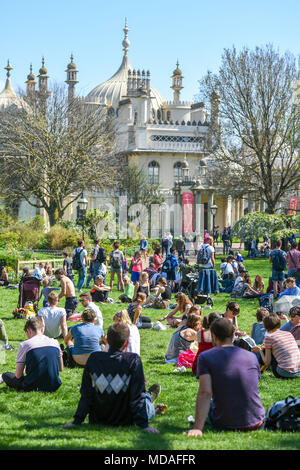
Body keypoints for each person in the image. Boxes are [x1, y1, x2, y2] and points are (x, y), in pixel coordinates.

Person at [62, 323, 160, 433]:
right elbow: (137, 396)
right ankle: (149, 400)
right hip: (126, 420)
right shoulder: (133, 360)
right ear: (126, 342)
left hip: (98, 419)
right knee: (145, 402)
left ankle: (149, 400)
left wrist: (77, 421)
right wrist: (144, 425)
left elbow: (86, 393)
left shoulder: (94, 359)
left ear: (107, 340)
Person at [186, 317, 265, 437]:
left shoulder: (206, 357)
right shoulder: (251, 356)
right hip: (256, 421)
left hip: (225, 422)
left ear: (213, 336)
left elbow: (205, 393)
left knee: (212, 404)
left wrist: (197, 428)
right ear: (233, 334)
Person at [0, 317, 63, 392]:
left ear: (28, 331)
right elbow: (60, 368)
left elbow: (18, 375)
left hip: (31, 386)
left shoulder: (25, 344)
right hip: (54, 385)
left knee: (5, 375)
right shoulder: (55, 342)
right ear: (42, 330)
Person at [253, 313, 300, 379]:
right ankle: (259, 371)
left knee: (265, 351)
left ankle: (257, 372)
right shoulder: (288, 333)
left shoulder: (269, 337)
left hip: (285, 373)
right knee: (268, 349)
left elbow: (267, 363)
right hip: (298, 372)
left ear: (265, 326)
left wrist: (260, 351)